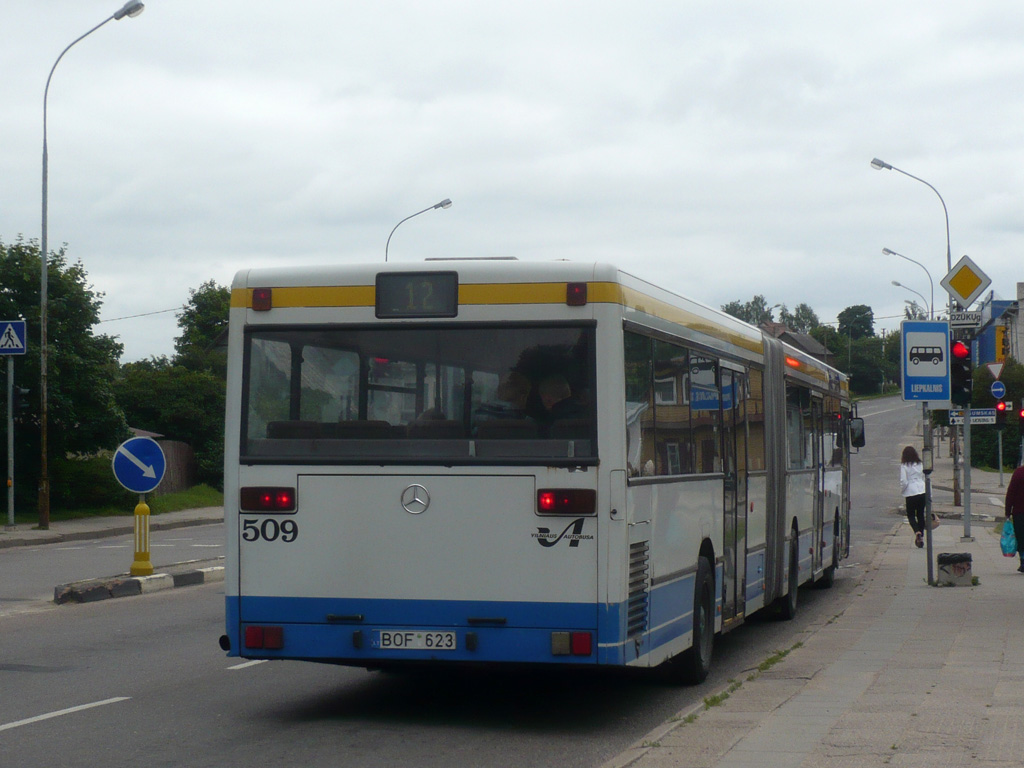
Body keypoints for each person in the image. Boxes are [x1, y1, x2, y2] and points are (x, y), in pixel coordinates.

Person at [899, 445, 927, 549]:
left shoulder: (904, 465)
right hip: (922, 491)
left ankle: (917, 532)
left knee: (911, 515)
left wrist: (903, 490)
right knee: (920, 514)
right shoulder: (920, 464)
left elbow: (904, 481)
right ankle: (921, 536)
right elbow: (924, 477)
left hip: (911, 492)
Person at [1004, 463, 1024, 573]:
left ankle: (1023, 562)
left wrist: (1007, 512)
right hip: (1019, 512)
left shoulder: (1018, 473)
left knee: (1021, 538)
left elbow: (1011, 493)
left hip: (1019, 513)